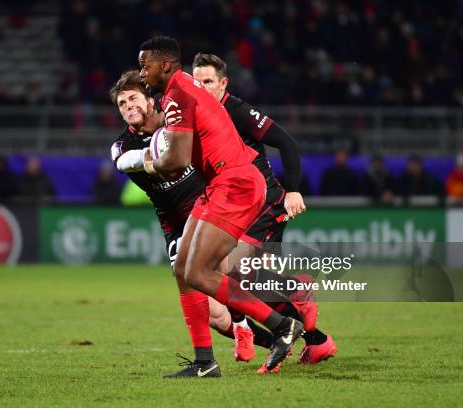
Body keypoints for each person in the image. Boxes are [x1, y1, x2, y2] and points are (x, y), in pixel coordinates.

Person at [139, 36, 304, 377]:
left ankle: (282, 325)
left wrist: (145, 161)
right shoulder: (181, 88)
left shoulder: (178, 95)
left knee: (200, 271)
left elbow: (178, 160)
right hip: (219, 184)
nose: (142, 73)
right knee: (184, 270)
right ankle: (204, 362)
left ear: (166, 65)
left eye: (146, 65)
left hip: (236, 183)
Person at [192, 52, 336, 368]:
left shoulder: (236, 109)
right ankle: (317, 340)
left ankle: (294, 295)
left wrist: (293, 190)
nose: (201, 88)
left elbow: (287, 143)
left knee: (231, 272)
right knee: (240, 280)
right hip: (237, 205)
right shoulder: (198, 116)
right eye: (196, 82)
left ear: (223, 83)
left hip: (264, 201)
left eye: (208, 81)